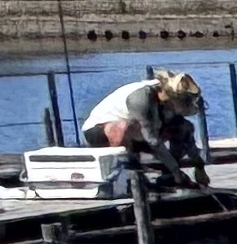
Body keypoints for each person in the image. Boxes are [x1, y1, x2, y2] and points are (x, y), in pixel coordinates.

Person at [79, 68, 209, 187]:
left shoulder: (165, 101)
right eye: (186, 101)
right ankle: (130, 174)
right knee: (124, 127)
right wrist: (176, 170)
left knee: (183, 127)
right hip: (97, 132)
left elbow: (186, 134)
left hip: (137, 133)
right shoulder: (141, 99)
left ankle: (167, 175)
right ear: (174, 97)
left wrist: (199, 166)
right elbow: (153, 141)